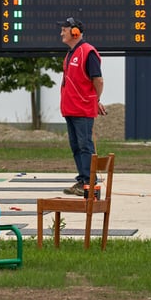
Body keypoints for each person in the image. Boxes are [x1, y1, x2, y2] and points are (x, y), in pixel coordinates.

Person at [58, 17, 106, 196]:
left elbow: (98, 80)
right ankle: (82, 180)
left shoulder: (88, 52)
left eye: (64, 29)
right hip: (71, 108)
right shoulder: (71, 53)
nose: (61, 33)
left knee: (85, 146)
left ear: (75, 32)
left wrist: (95, 99)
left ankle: (90, 184)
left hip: (82, 109)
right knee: (76, 146)